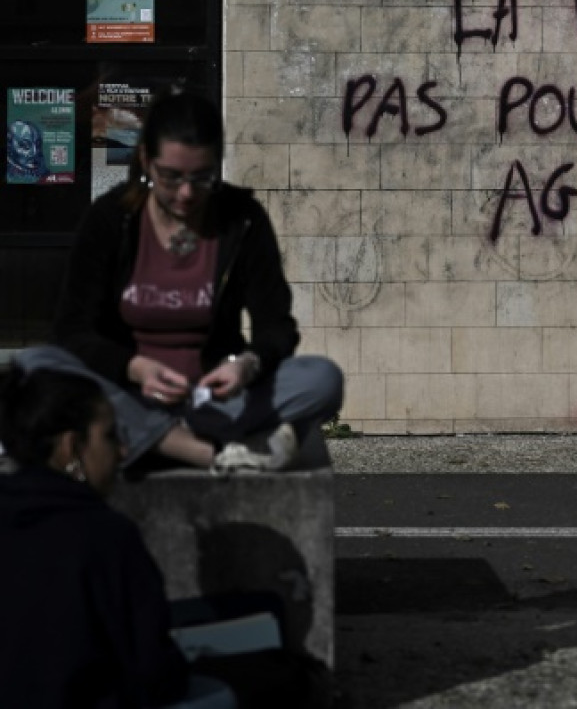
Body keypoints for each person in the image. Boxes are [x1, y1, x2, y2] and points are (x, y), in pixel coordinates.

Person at [17, 91, 342, 473]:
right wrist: (134, 368)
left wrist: (245, 365)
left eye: (202, 178)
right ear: (146, 162)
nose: (186, 194)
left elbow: (277, 327)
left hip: (211, 400)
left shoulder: (243, 220)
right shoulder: (111, 219)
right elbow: (71, 330)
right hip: (126, 393)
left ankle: (149, 439)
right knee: (32, 366)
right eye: (171, 178)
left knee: (322, 378)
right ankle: (204, 452)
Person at [0, 366, 235, 707]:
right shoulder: (105, 537)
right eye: (110, 436)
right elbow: (153, 672)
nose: (123, 452)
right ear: (71, 447)